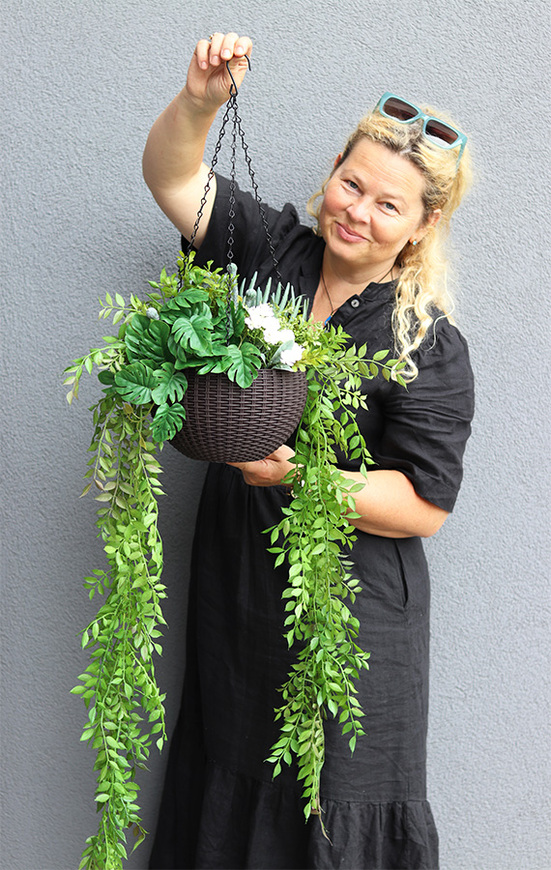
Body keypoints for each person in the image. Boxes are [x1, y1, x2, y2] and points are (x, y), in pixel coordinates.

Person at [144, 32, 474, 870]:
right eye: (350, 182)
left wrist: (301, 478)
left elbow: (424, 506)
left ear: (422, 224)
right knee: (234, 777)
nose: (356, 211)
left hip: (351, 618)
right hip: (240, 589)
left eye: (387, 205)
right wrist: (199, 102)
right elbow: (173, 178)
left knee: (331, 804)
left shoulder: (424, 341)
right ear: (331, 169)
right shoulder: (270, 252)